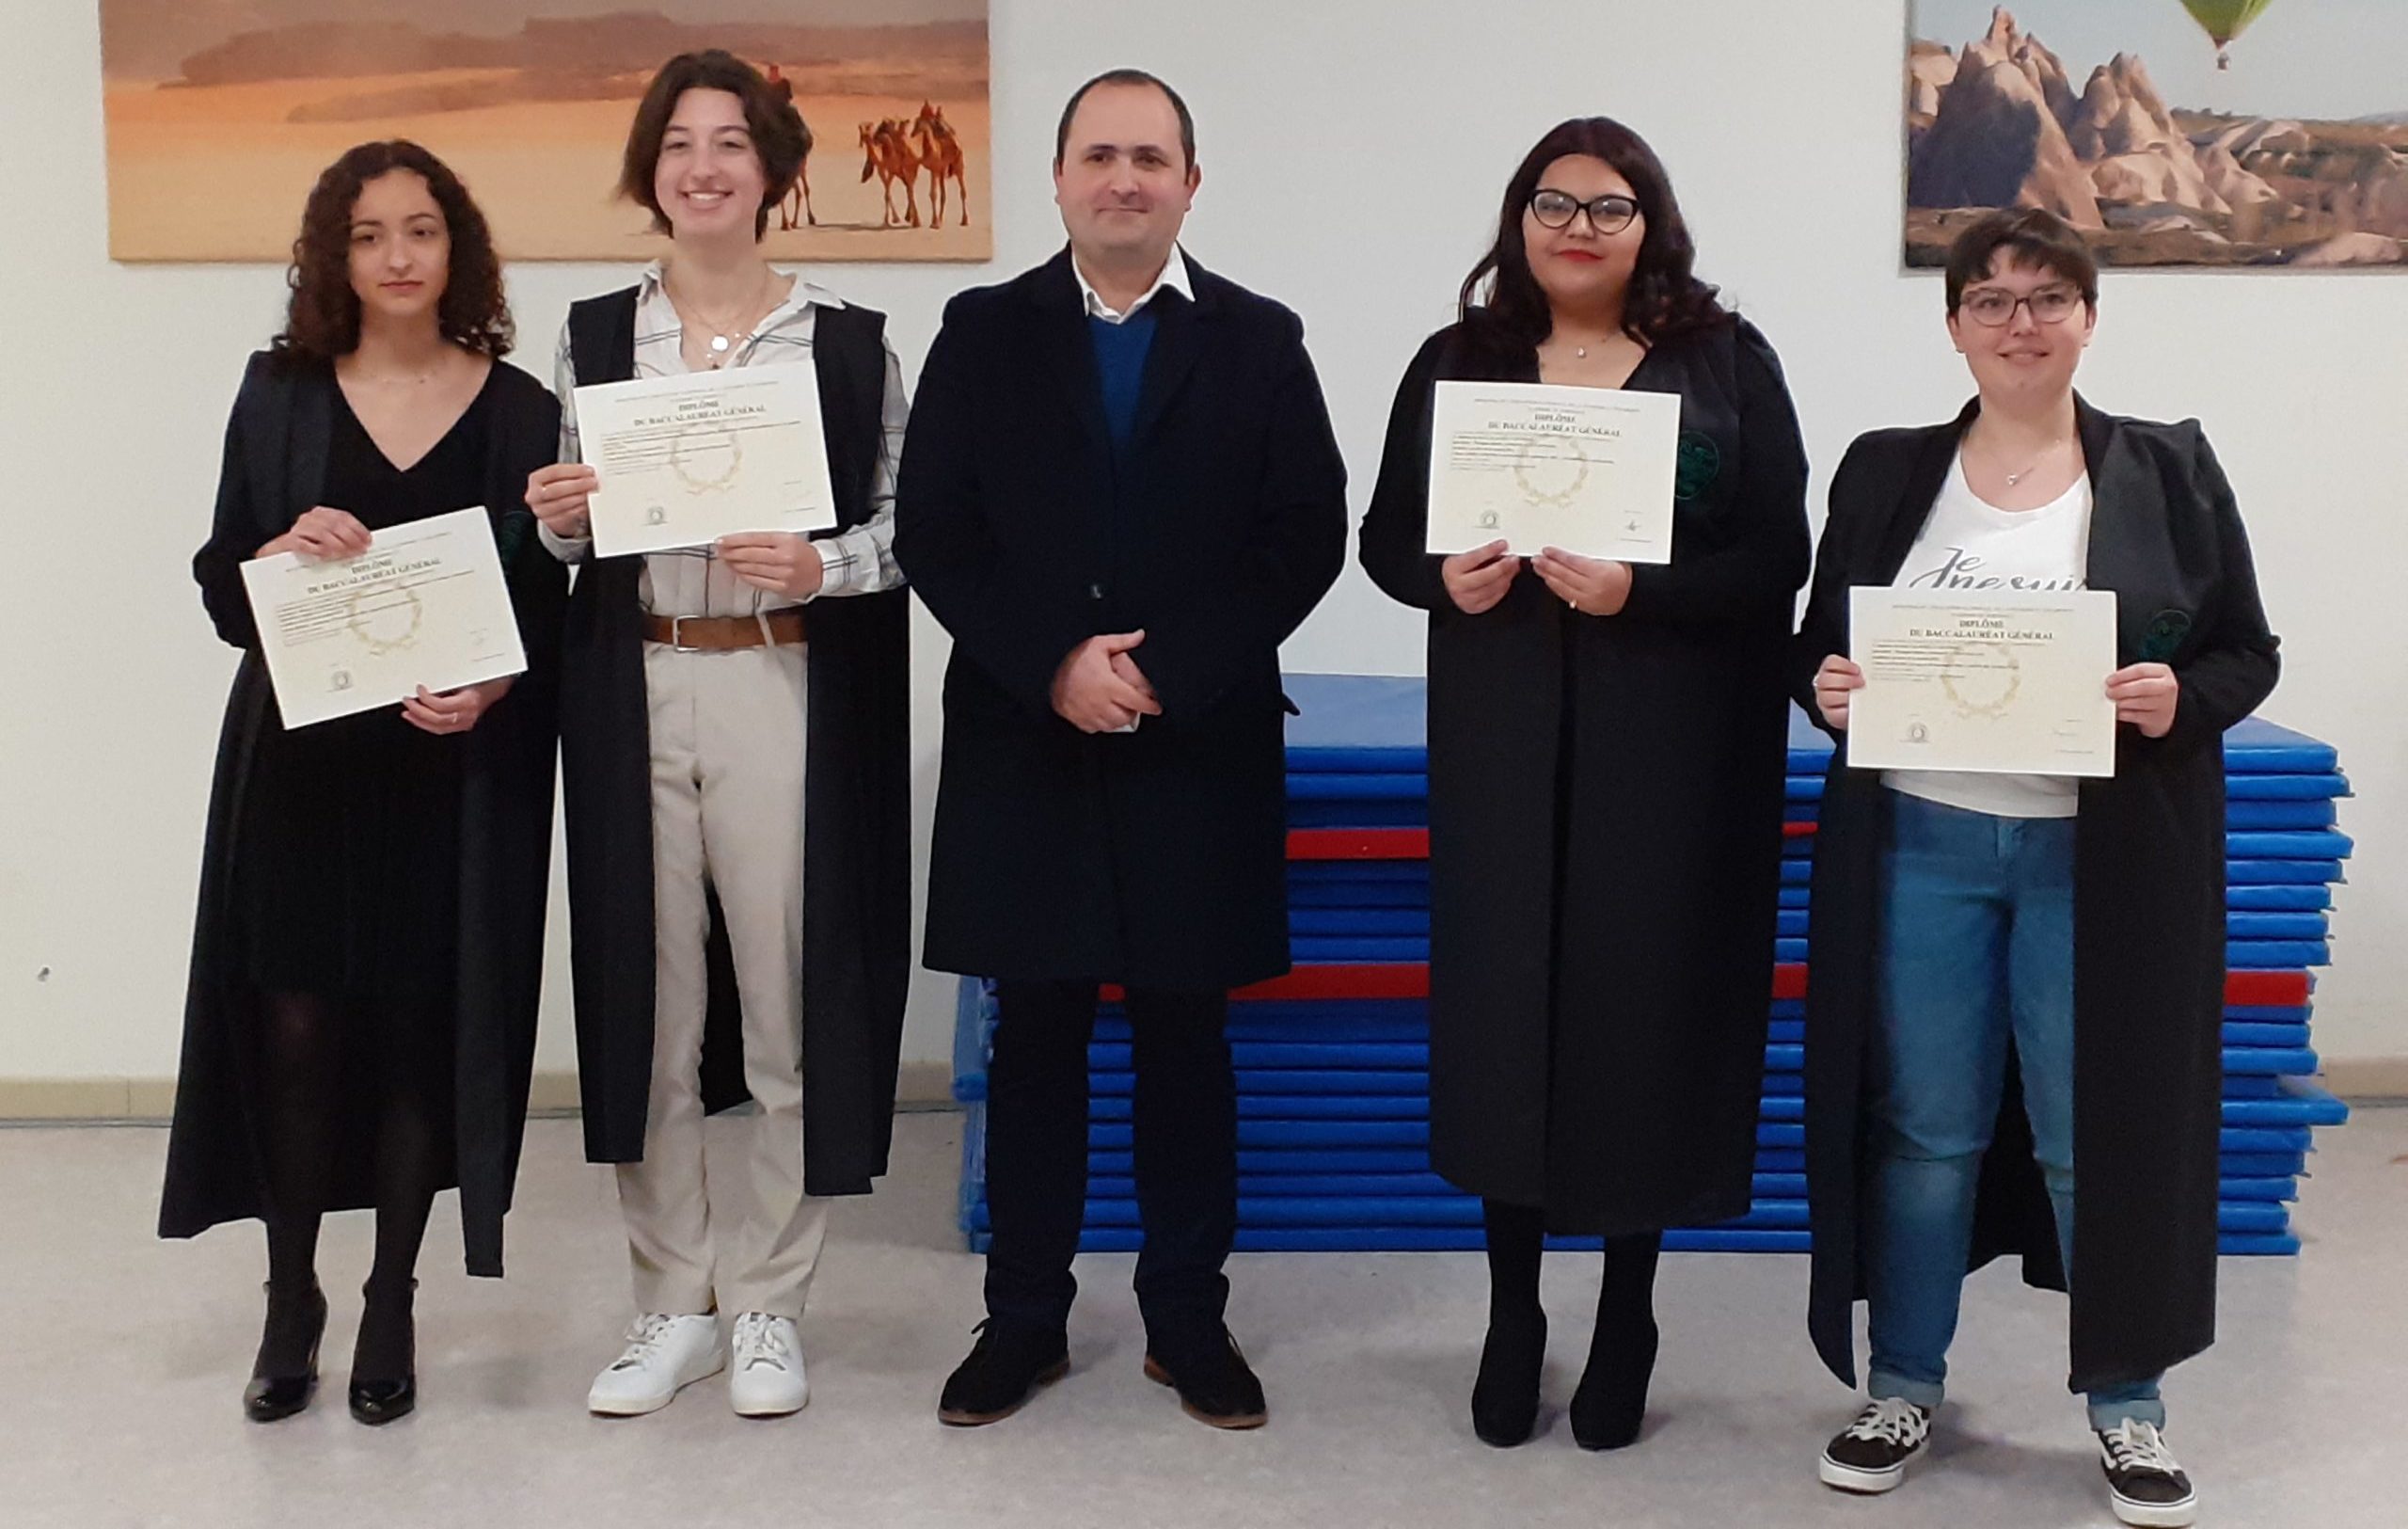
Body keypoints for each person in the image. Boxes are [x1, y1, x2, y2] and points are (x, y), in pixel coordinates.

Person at [1796, 208, 2279, 1528]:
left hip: (2099, 855)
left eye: (2047, 297)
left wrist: (2179, 695)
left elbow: (2246, 652)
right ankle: (1902, 1384)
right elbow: (1817, 648)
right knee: (1925, 1131)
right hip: (1925, 840)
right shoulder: (1888, 470)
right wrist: (1827, 684)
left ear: (2088, 315)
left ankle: (2127, 1404)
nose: (2019, 322)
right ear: (1953, 321)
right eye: (1992, 299)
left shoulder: (2167, 469)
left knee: (2092, 1130)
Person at [896, 67, 1347, 1431]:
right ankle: (1024, 1316)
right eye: (1100, 154)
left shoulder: (1262, 339)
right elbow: (939, 528)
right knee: (1032, 1031)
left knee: (1183, 1038)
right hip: (1027, 737)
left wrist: (1163, 669)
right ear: (1059, 179)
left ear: (1191, 184)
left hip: (1190, 741)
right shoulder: (982, 331)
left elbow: (1303, 535)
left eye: (1152, 157)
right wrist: (1054, 664)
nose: (1125, 178)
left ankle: (1185, 1319)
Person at [1359, 117, 1809, 1451]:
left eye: (1607, 208)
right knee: (1508, 1014)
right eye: (1552, 203)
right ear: (1517, 220)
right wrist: (1441, 576)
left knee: (1642, 1009)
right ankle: (1514, 1308)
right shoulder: (1460, 365)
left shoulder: (1724, 363)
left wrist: (1640, 588)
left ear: (1651, 224)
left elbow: (1777, 554)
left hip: (1673, 743)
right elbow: (1385, 537)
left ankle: (1629, 1307)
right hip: (1502, 737)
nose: (1576, 227)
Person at [522, 49, 912, 1420]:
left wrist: (828, 572)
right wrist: (557, 514)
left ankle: (770, 1302)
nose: (703, 166)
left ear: (774, 171)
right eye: (679, 144)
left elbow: (900, 525)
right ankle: (668, 1296)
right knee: (652, 1004)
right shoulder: (590, 333)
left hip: (778, 681)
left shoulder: (849, 339)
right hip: (634, 682)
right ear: (652, 172)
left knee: (784, 1008)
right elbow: (571, 530)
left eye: (731, 144)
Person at [164, 140, 565, 1426]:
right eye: (371, 234)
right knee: (291, 1031)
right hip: (299, 764)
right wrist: (277, 550)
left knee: (411, 1032)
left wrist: (498, 686)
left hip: (447, 770)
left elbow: (548, 597)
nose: (399, 256)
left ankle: (391, 1296)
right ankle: (295, 1293)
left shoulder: (516, 409)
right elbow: (225, 585)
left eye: (423, 230)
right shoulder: (277, 393)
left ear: (460, 249)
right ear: (334, 255)